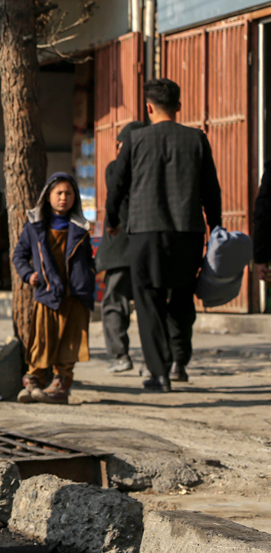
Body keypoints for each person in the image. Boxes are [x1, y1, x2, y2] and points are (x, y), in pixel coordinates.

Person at [106, 79, 222, 392]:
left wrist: (112, 218)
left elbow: (117, 183)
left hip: (145, 231)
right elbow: (211, 188)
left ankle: (158, 373)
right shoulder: (197, 139)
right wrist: (217, 225)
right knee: (183, 295)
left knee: (148, 300)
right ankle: (179, 362)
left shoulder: (136, 140)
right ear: (179, 106)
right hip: (187, 231)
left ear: (148, 107)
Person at [13, 174, 96, 404]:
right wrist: (29, 275)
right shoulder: (35, 227)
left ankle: (61, 386)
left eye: (68, 193)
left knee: (69, 342)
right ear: (48, 196)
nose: (63, 198)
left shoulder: (80, 227)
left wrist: (88, 276)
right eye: (59, 193)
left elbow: (88, 258)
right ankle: (33, 382)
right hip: (47, 291)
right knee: (42, 340)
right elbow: (19, 256)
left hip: (75, 294)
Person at [96, 121, 148, 375]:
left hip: (120, 249)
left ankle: (120, 356)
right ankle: (153, 360)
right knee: (150, 305)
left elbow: (114, 199)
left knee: (115, 303)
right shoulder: (151, 169)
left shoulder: (115, 168)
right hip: (147, 248)